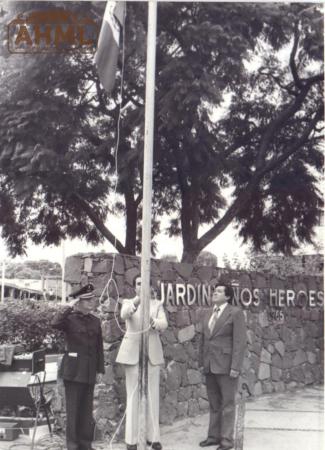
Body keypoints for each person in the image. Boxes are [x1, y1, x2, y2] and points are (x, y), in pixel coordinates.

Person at [116, 276, 168, 450]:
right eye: (138, 283)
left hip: (151, 353)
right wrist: (138, 300)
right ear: (134, 287)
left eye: (145, 283)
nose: (142, 286)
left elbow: (164, 323)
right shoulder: (129, 302)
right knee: (133, 395)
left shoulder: (157, 304)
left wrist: (154, 323)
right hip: (133, 354)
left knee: (152, 395)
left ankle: (153, 438)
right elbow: (124, 315)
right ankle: (131, 440)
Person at [52, 283, 105, 450]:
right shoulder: (69, 320)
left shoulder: (95, 321)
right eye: (87, 300)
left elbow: (99, 348)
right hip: (73, 372)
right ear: (79, 302)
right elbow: (55, 323)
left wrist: (100, 370)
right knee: (73, 411)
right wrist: (68, 306)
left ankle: (85, 444)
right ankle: (72, 446)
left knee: (86, 411)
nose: (92, 303)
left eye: (92, 299)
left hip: (89, 372)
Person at [199, 283, 247, 450]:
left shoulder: (235, 313)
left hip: (226, 367)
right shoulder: (208, 313)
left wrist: (236, 366)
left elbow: (239, 341)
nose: (215, 292)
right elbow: (204, 340)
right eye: (214, 290)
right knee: (214, 403)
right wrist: (201, 363)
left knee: (227, 404)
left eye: (219, 291)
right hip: (210, 365)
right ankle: (213, 437)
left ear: (227, 296)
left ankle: (226, 441)